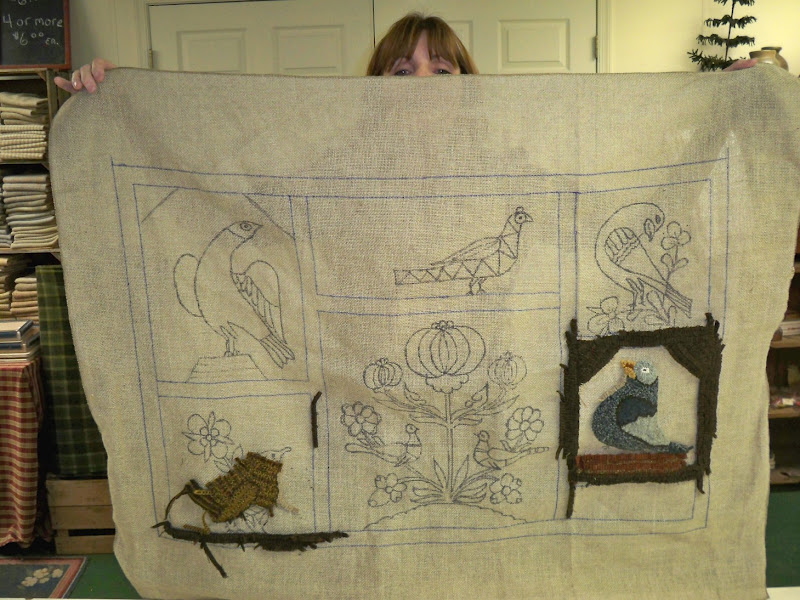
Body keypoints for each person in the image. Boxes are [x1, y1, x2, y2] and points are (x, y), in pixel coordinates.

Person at [55, 12, 754, 94]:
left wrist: (730, 99)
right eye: (402, 68)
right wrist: (125, 98)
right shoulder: (338, 155)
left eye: (442, 68)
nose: (423, 79)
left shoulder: (511, 150)